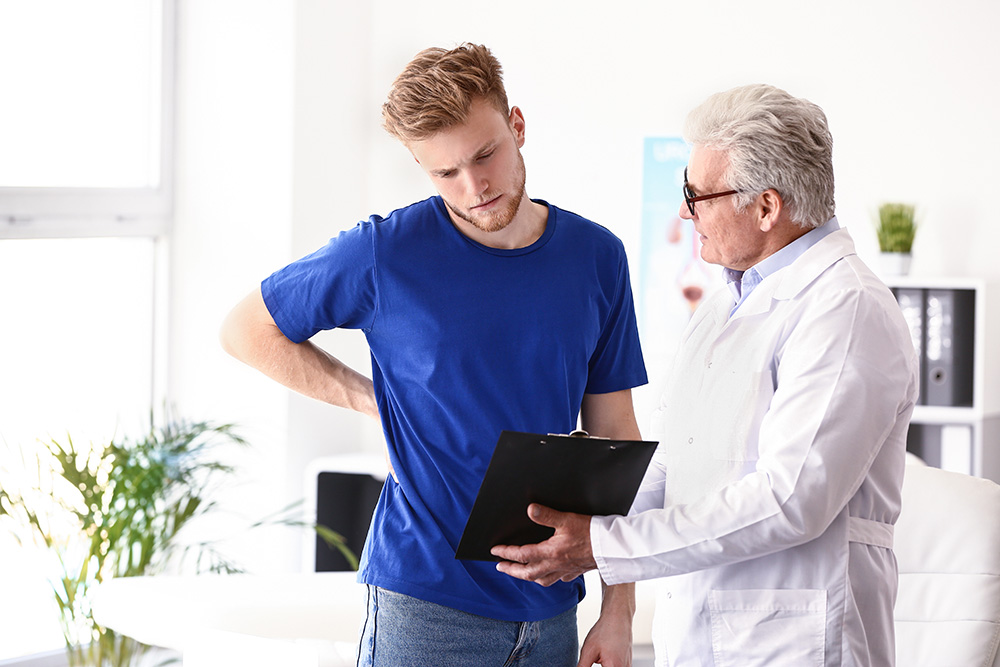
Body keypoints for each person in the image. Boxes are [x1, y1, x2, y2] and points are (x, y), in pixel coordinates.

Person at [219, 43, 647, 667]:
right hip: (424, 610)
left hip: (554, 602)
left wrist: (618, 610)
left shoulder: (596, 258)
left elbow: (617, 438)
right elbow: (245, 330)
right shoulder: (384, 253)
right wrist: (369, 402)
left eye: (485, 155)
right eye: (444, 173)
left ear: (517, 126)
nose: (473, 188)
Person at [492, 84, 920, 666]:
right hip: (703, 633)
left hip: (797, 643)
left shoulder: (846, 307)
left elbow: (791, 498)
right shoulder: (726, 303)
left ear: (766, 207)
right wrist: (573, 526)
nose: (683, 211)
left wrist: (603, 545)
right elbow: (674, 460)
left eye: (696, 195)